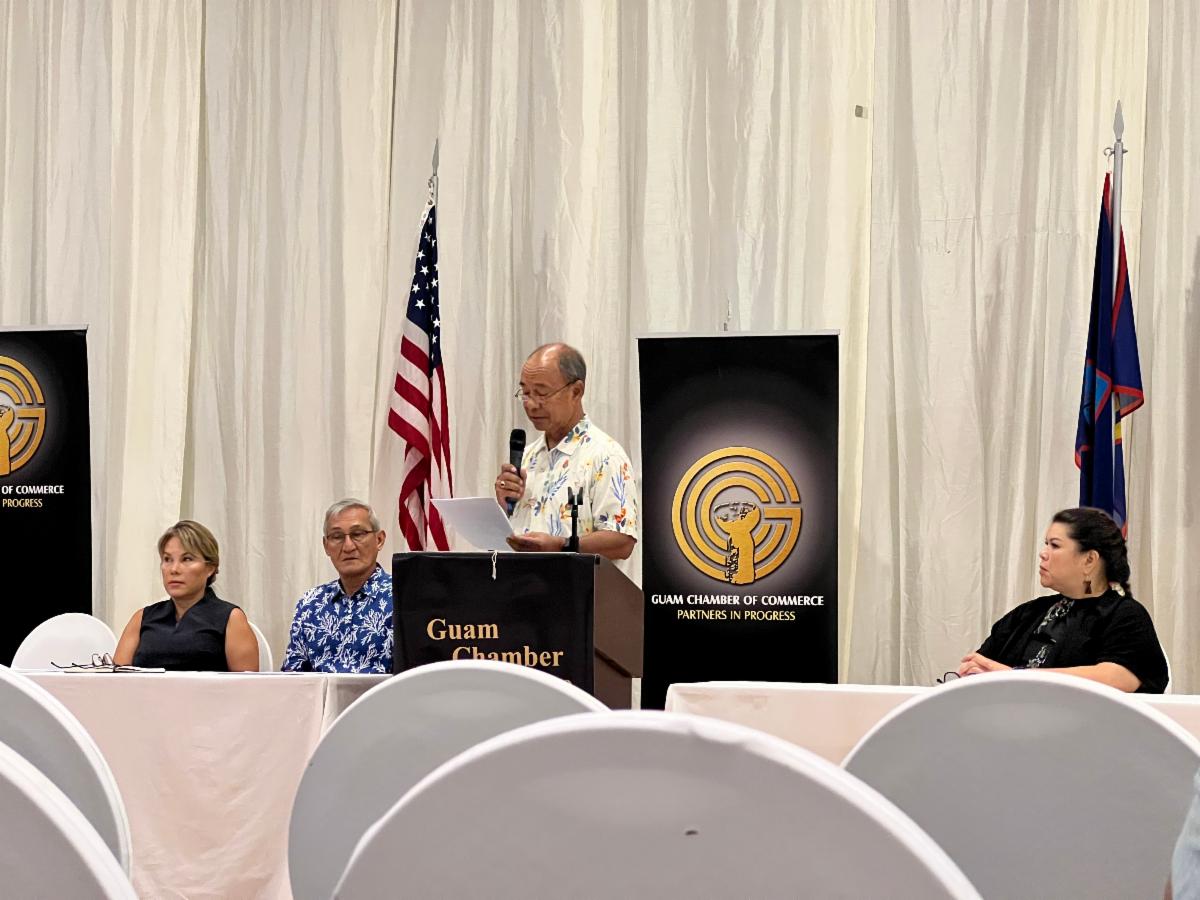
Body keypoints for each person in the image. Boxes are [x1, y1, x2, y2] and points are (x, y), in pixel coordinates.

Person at [957, 506, 1168, 693]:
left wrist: (1014, 676)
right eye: (1045, 544)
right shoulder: (1027, 613)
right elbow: (979, 667)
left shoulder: (1124, 614)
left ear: (1089, 560)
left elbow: (1117, 678)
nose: (1043, 553)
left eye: (1055, 546)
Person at [494, 342, 639, 561]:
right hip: (520, 581)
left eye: (541, 393)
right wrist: (505, 508)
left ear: (576, 391)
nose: (531, 404)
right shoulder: (527, 457)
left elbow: (622, 541)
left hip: (576, 583)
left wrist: (562, 546)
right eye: (526, 393)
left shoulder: (605, 456)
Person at [114, 520, 259, 671]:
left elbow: (246, 684)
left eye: (187, 559)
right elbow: (116, 679)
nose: (174, 569)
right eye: (167, 559)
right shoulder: (142, 618)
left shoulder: (230, 618)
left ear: (210, 568)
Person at [282, 498, 393, 673]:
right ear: (326, 546)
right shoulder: (311, 604)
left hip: (384, 692)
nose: (348, 546)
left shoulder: (402, 598)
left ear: (379, 540)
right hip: (320, 692)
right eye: (337, 537)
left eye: (357, 534)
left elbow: (417, 675)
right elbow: (292, 676)